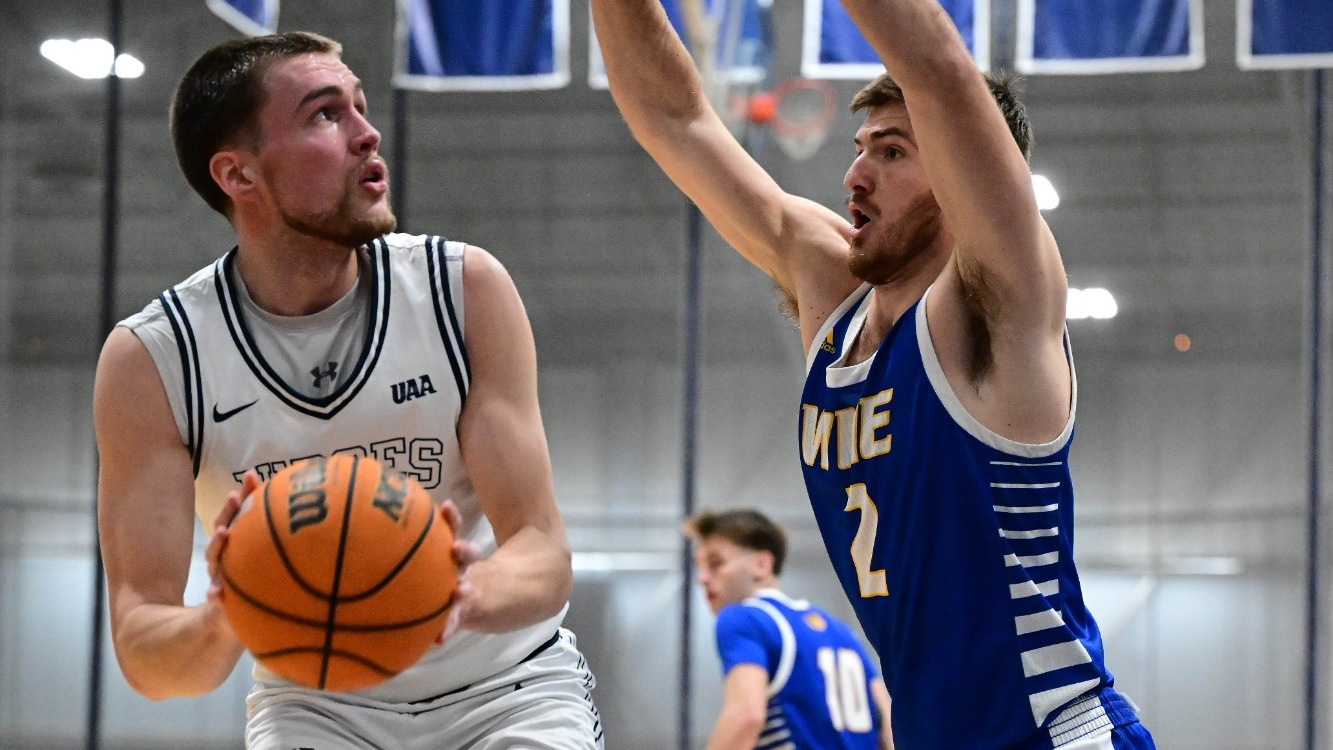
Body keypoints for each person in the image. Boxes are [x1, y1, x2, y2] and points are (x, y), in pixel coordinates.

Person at [589, 0, 1155, 747]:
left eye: (890, 152)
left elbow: (941, 74)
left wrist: (948, 107)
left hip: (1052, 732)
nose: (854, 173)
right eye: (859, 149)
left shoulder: (996, 306)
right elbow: (674, 120)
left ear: (963, 176)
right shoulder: (836, 302)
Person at [93, 31, 602, 749]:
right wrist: (230, 614)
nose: (368, 135)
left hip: (507, 690)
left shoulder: (463, 288)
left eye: (361, 108)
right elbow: (145, 648)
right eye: (325, 115)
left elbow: (542, 554)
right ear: (238, 175)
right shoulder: (153, 358)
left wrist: (449, 590)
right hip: (315, 706)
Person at [684, 509, 892, 750]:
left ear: (761, 565)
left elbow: (746, 716)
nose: (702, 578)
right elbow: (888, 724)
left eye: (715, 564)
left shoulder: (743, 618)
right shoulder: (842, 633)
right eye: (699, 567)